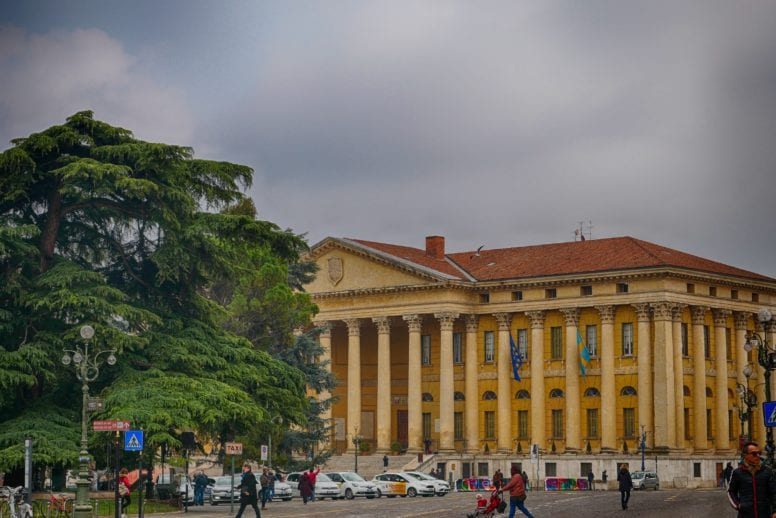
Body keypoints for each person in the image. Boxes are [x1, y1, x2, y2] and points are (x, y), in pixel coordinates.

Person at [728, 441, 776, 518]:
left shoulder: (767, 471)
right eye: (754, 454)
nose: (758, 456)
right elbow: (731, 491)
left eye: (759, 453)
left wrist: (774, 511)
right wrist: (738, 505)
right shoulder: (737, 473)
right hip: (745, 514)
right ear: (745, 455)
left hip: (765, 514)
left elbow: (774, 493)